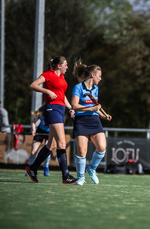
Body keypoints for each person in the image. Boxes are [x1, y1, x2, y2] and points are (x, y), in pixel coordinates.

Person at [25, 56, 77, 184]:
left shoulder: (62, 77)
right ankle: (66, 176)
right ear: (59, 66)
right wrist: (47, 91)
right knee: (62, 143)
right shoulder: (48, 74)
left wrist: (70, 107)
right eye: (65, 64)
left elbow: (62, 94)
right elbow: (33, 85)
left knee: (52, 145)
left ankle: (32, 168)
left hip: (60, 109)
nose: (67, 67)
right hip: (52, 109)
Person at [71, 60, 112, 185]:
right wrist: (91, 109)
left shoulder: (96, 89)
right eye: (99, 76)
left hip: (94, 121)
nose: (100, 78)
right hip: (81, 121)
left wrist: (102, 115)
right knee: (82, 152)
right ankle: (81, 177)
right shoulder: (78, 88)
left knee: (102, 147)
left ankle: (91, 169)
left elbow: (95, 106)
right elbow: (74, 105)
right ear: (93, 75)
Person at [29, 105, 56, 176]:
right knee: (33, 151)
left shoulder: (54, 114)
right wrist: (34, 130)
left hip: (49, 133)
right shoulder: (41, 114)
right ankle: (30, 168)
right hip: (40, 132)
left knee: (46, 148)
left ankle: (46, 166)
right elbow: (33, 122)